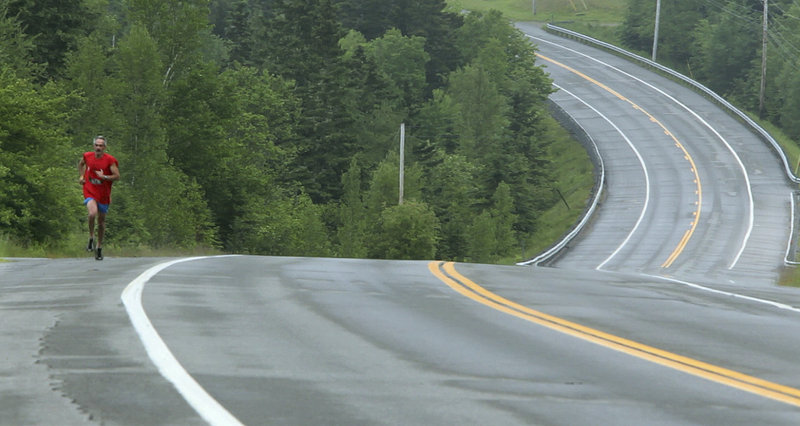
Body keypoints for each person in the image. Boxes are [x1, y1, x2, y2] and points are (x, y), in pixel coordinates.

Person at [78, 136, 119, 260]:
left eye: (101, 146)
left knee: (101, 222)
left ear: (105, 148)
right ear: (93, 146)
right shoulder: (87, 156)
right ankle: (91, 238)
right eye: (96, 145)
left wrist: (105, 177)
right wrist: (81, 176)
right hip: (90, 190)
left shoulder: (110, 160)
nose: (98, 148)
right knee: (92, 213)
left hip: (103, 194)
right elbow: (81, 164)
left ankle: (99, 247)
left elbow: (117, 176)